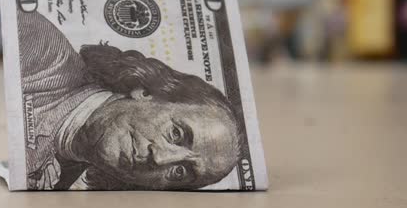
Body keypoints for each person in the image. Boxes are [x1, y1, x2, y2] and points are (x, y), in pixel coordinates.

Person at [18, 10, 241, 190]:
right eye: (176, 134)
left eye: (180, 172)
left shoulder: (56, 190)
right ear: (144, 92)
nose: (160, 159)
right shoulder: (39, 49)